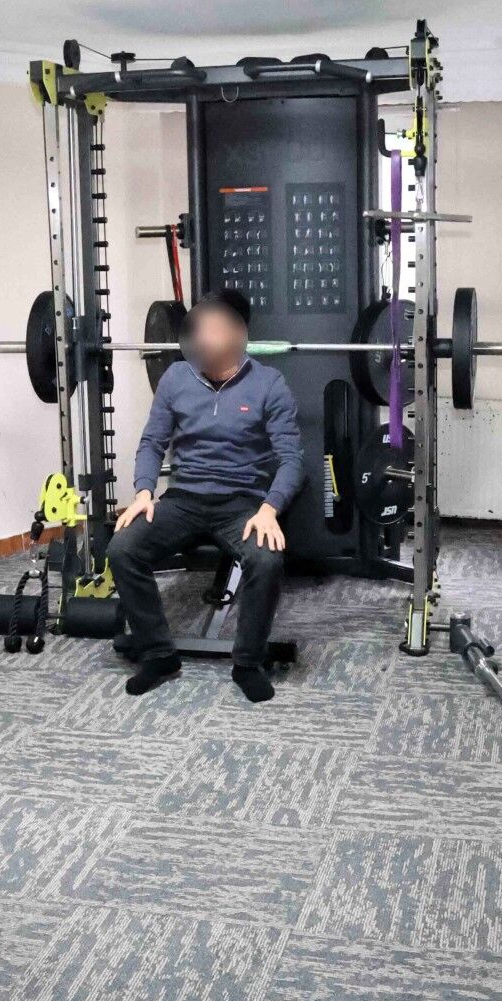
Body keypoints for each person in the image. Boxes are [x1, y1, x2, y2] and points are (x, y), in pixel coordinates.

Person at [108, 290, 303, 703]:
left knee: (266, 559)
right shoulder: (176, 378)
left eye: (216, 328)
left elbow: (291, 460)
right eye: (201, 328)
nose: (205, 337)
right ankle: (158, 654)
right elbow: (152, 442)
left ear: (238, 334)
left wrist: (269, 509)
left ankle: (247, 663)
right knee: (123, 548)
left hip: (242, 503)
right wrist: (144, 491)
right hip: (183, 498)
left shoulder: (269, 384)